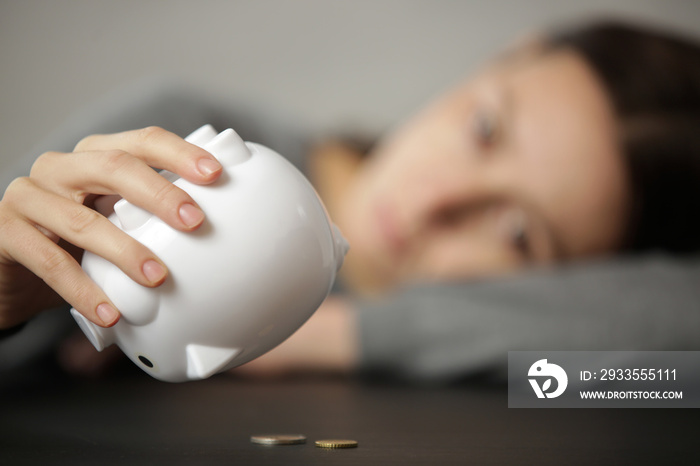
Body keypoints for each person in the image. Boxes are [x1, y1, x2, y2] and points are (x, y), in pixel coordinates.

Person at [1, 20, 700, 382]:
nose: (436, 200)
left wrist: (344, 338)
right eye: (484, 130)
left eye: (519, 232)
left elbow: (670, 383)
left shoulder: (525, 356)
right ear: (505, 57)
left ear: (588, 282)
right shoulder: (170, 156)